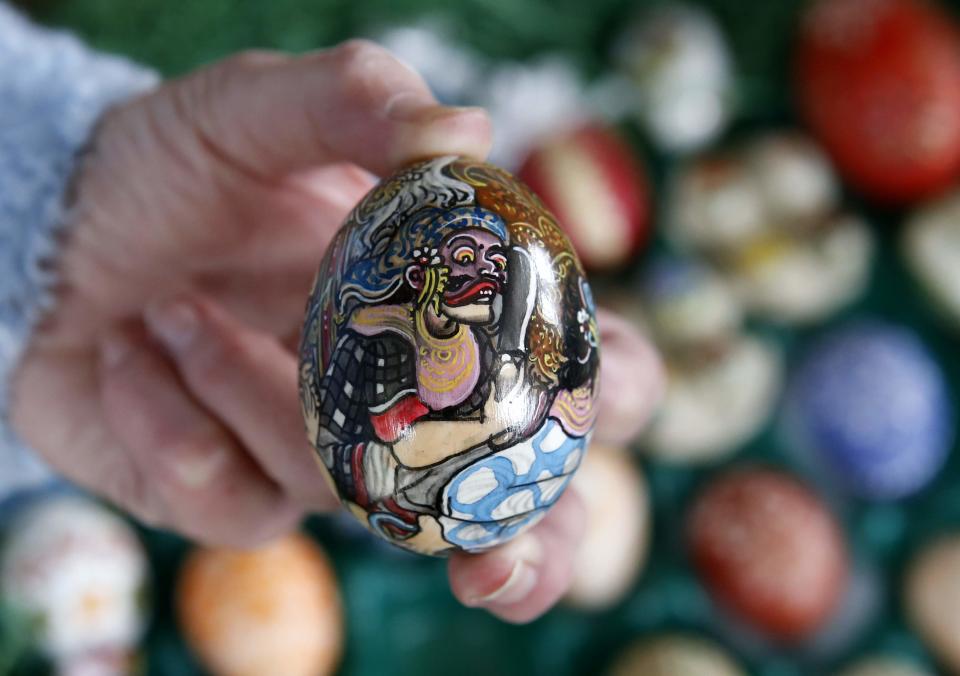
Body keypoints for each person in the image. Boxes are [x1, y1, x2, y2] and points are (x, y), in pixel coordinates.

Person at [0, 2, 664, 624]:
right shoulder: (402, 322)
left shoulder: (494, 307)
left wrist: (65, 205)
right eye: (461, 267)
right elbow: (388, 332)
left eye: (481, 270)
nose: (473, 279)